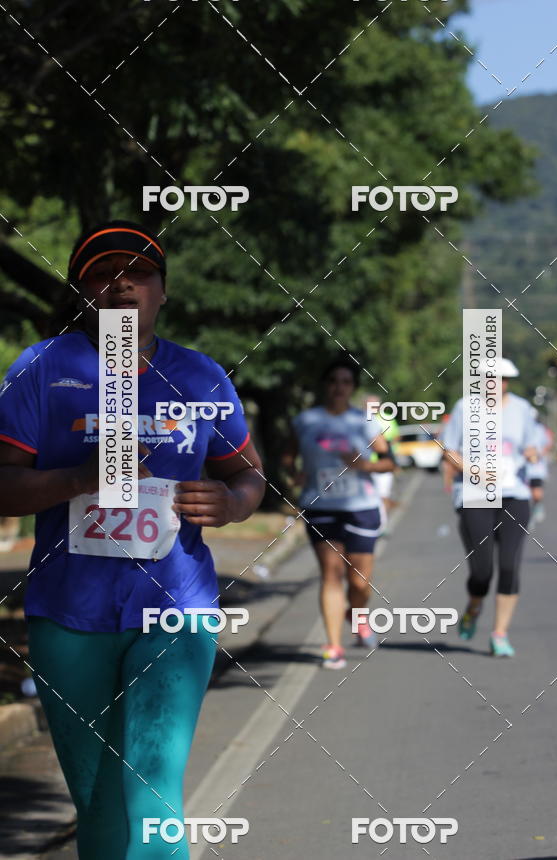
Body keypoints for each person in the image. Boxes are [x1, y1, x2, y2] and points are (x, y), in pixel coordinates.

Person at [0, 221, 265, 860]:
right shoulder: (42, 369)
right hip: (69, 612)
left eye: (139, 272)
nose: (121, 285)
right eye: (102, 273)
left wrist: (231, 503)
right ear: (81, 289)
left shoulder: (199, 378)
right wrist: (73, 478)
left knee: (151, 792)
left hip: (176, 607)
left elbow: (249, 472)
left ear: (163, 292)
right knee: (97, 806)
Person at [282, 359, 395, 670]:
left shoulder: (365, 423)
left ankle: (357, 614)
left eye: (346, 382)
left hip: (361, 507)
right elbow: (288, 456)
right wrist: (294, 474)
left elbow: (389, 462)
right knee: (331, 574)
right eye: (333, 380)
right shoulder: (306, 421)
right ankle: (333, 645)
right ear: (325, 384)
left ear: (353, 388)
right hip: (320, 506)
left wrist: (364, 465)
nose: (339, 387)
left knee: (359, 582)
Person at [442, 357, 539, 658]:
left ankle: (499, 633)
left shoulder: (523, 409)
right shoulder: (464, 408)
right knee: (482, 571)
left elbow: (534, 443)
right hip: (474, 495)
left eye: (502, 379)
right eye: (490, 378)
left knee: (509, 566)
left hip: (514, 495)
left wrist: (534, 451)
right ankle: (474, 605)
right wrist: (475, 471)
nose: (496, 384)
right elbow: (449, 451)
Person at [363, 394, 400, 526]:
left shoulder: (387, 418)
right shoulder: (360, 419)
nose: (372, 407)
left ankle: (382, 524)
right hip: (365, 464)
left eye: (375, 404)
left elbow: (396, 437)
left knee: (383, 494)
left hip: (384, 463)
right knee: (370, 496)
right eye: (369, 405)